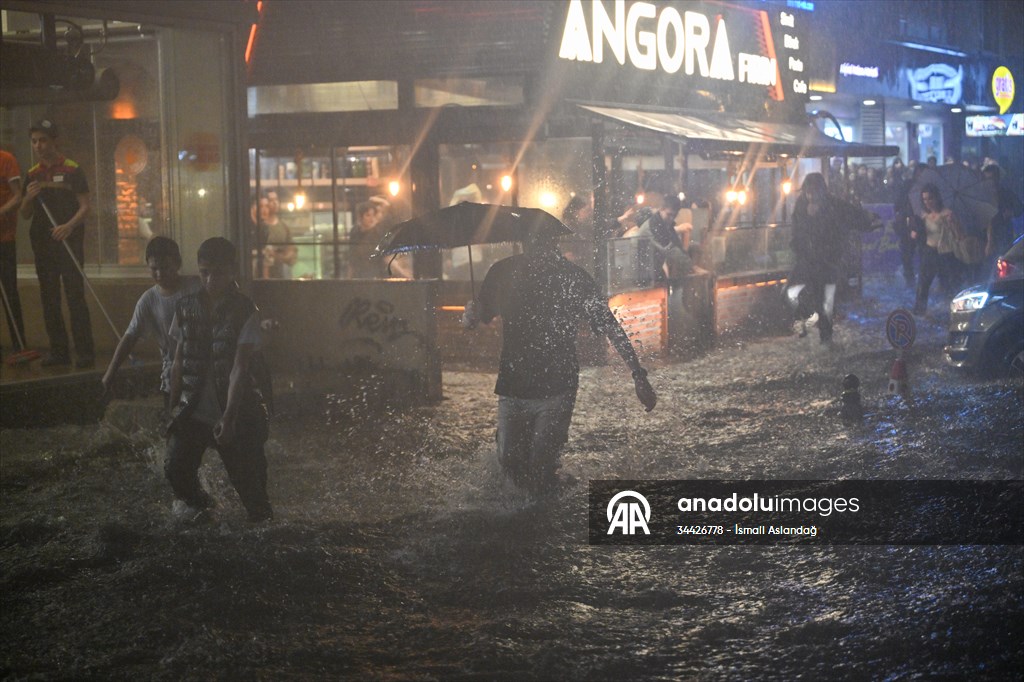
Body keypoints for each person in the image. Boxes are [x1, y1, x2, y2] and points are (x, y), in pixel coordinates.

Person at [461, 228, 657, 496]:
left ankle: (541, 510)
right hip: (513, 385)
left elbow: (610, 325)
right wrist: (470, 314)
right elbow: (481, 313)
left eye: (541, 241)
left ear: (551, 242)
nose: (537, 247)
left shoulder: (572, 277)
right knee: (509, 461)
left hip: (556, 387)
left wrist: (638, 374)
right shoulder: (503, 272)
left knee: (541, 467)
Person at [166, 237, 273, 523]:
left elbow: (240, 367)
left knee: (254, 497)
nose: (211, 280)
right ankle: (206, 510)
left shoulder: (245, 310)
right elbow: (178, 360)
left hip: (239, 412)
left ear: (232, 271)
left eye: (219, 272)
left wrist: (229, 416)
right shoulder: (186, 307)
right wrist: (172, 407)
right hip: (194, 410)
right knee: (176, 470)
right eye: (204, 272)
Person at [18, 119, 94, 368]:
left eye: (43, 140)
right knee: (49, 297)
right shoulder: (32, 174)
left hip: (69, 239)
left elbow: (85, 207)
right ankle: (59, 351)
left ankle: (84, 353)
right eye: (34, 141)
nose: (38, 146)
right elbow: (25, 213)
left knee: (74, 295)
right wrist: (29, 197)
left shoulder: (73, 169)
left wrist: (68, 226)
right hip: (43, 242)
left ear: (54, 141)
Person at [101, 237, 199, 404]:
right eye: (154, 269)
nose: (159, 274)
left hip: (200, 367)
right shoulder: (148, 300)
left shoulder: (195, 287)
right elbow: (130, 337)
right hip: (172, 372)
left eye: (165, 268)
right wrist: (109, 375)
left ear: (178, 264)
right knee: (172, 420)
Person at [785, 173, 853, 343]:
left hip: (827, 262)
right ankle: (803, 323)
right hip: (807, 260)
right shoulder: (801, 206)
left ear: (822, 191)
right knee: (789, 293)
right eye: (808, 193)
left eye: (814, 193)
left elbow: (851, 217)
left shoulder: (833, 206)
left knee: (825, 303)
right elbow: (797, 233)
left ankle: (826, 339)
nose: (811, 196)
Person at [912, 183, 963, 315]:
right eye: (924, 199)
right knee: (923, 283)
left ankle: (956, 311)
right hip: (929, 251)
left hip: (945, 253)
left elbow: (958, 235)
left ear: (937, 198)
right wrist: (915, 233)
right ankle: (919, 311)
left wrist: (953, 224)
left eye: (930, 198)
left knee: (949, 283)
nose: (927, 202)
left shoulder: (947, 214)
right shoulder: (924, 216)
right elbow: (921, 234)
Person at [0, 149, 27, 353]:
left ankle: (19, 345)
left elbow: (18, 197)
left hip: (4, 238)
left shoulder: (6, 160)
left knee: (9, 292)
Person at [982, 164, 1023, 260]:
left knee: (1002, 259)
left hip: (1003, 232)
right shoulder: (981, 195)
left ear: (997, 178)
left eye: (991, 178)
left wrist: (1011, 212)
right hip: (985, 235)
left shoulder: (1006, 193)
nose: (989, 181)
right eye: (986, 178)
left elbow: (1019, 208)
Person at [349, 200, 383, 278]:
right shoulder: (355, 233)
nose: (371, 219)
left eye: (373, 215)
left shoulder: (378, 232)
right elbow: (352, 258)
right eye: (368, 215)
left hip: (375, 275)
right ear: (360, 217)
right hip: (359, 275)